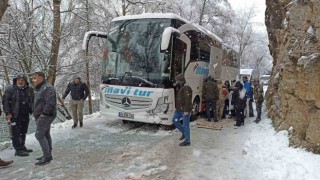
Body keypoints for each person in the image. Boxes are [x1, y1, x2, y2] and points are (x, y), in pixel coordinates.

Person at [2, 73, 34, 157]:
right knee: (16, 132)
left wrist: (33, 110)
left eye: (22, 80)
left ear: (25, 81)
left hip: (26, 113)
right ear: (15, 80)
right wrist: (8, 112)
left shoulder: (29, 89)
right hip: (15, 114)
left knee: (23, 131)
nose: (20, 81)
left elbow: (32, 100)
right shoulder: (10, 89)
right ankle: (18, 149)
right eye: (18, 80)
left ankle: (22, 146)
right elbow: (5, 101)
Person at [32, 72, 57, 166]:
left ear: (42, 78)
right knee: (45, 134)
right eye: (33, 78)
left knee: (39, 135)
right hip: (40, 115)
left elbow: (50, 102)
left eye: (35, 78)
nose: (33, 80)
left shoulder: (47, 88)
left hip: (46, 115)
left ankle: (47, 157)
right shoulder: (39, 88)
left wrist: (44, 114)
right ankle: (47, 154)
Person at [172, 74, 192, 146]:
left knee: (186, 125)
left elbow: (188, 100)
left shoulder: (186, 87)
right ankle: (184, 132)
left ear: (180, 81)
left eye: (177, 80)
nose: (176, 81)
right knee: (174, 120)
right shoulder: (180, 86)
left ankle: (187, 140)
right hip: (179, 109)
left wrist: (186, 110)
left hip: (184, 110)